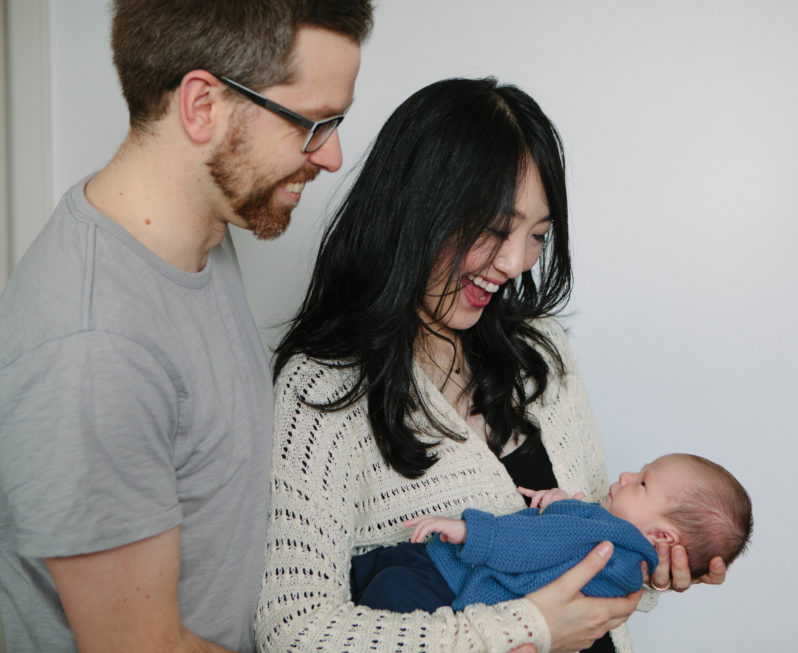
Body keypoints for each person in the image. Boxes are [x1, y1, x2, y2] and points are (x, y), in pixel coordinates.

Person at [257, 77, 727, 653]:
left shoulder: (541, 354)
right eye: (494, 229)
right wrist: (525, 629)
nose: (513, 262)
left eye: (537, 235)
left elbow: (584, 545)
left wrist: (643, 568)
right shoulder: (324, 389)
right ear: (417, 206)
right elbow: (294, 632)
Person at [0, 2, 372, 651]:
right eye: (312, 123)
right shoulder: (95, 348)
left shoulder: (201, 232)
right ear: (202, 106)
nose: (334, 155)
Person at [350, 453, 753, 613]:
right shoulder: (623, 557)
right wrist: (560, 502)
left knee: (389, 585)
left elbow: (537, 544)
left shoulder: (610, 541)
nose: (627, 475)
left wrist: (470, 531)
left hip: (451, 581)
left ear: (662, 539)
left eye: (643, 483)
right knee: (376, 578)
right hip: (459, 586)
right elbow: (562, 542)